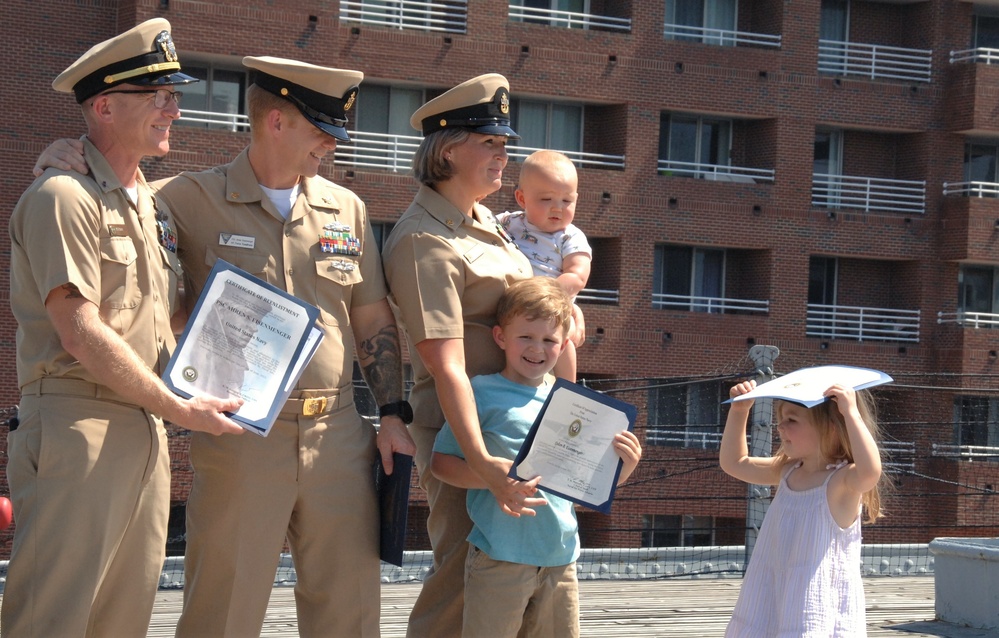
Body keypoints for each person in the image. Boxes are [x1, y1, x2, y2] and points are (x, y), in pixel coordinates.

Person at [32, 56, 416, 637]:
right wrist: (59, 154)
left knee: (351, 613)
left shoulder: (349, 209)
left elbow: (370, 317)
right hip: (240, 437)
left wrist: (391, 412)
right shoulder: (183, 198)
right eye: (322, 132)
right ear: (277, 122)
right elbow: (108, 197)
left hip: (339, 434)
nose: (330, 148)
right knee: (224, 613)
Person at [3, 19, 245, 637]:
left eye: (175, 95)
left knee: (123, 621)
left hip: (145, 429)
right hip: (77, 425)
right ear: (104, 105)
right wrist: (181, 408)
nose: (174, 108)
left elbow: (166, 317)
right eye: (158, 96)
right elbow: (78, 331)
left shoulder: (147, 202)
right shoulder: (64, 195)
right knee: (53, 617)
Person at [381, 74, 540, 637]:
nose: (504, 156)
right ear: (448, 149)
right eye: (490, 144)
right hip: (463, 433)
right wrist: (480, 461)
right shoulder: (425, 239)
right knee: (461, 577)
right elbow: (444, 363)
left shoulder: (486, 224)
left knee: (518, 576)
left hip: (513, 423)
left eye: (505, 145)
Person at [430, 277, 642, 638]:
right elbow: (440, 464)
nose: (537, 348)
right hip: (499, 558)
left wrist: (624, 468)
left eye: (549, 340)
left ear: (563, 347)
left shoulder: (575, 406)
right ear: (500, 338)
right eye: (526, 337)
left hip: (561, 560)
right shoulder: (479, 392)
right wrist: (493, 479)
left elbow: (585, 485)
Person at [719, 378, 886, 637]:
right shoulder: (787, 472)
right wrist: (739, 411)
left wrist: (850, 414)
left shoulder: (842, 482)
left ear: (831, 428)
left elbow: (870, 472)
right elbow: (734, 462)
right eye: (781, 419)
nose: (780, 426)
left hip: (816, 605)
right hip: (774, 593)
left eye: (792, 420)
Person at [498, 149, 591, 381]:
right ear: (522, 199)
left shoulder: (571, 236)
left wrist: (550, 294)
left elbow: (578, 275)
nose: (558, 207)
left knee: (564, 336)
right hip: (515, 306)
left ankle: (567, 388)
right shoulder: (507, 222)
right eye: (546, 199)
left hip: (552, 307)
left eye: (567, 200)